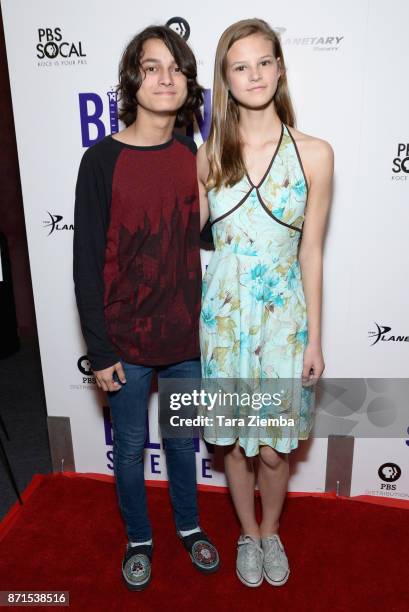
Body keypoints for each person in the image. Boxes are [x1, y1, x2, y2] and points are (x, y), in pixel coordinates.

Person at [73, 25, 220, 591]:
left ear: (188, 85)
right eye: (152, 67)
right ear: (133, 81)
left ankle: (188, 527)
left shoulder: (194, 156)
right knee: (130, 448)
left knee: (183, 443)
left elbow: (206, 237)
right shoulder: (101, 161)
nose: (166, 77)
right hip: (124, 344)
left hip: (186, 340)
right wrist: (99, 349)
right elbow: (87, 262)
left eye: (176, 68)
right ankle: (139, 537)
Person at [197, 18, 333, 588]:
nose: (254, 74)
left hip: (283, 324)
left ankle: (270, 530)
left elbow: (312, 255)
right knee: (232, 444)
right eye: (240, 65)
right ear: (225, 81)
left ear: (279, 69)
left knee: (275, 451)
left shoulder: (316, 154)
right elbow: (176, 237)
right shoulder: (207, 157)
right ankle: (247, 536)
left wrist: (316, 339)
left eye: (263, 61)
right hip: (224, 322)